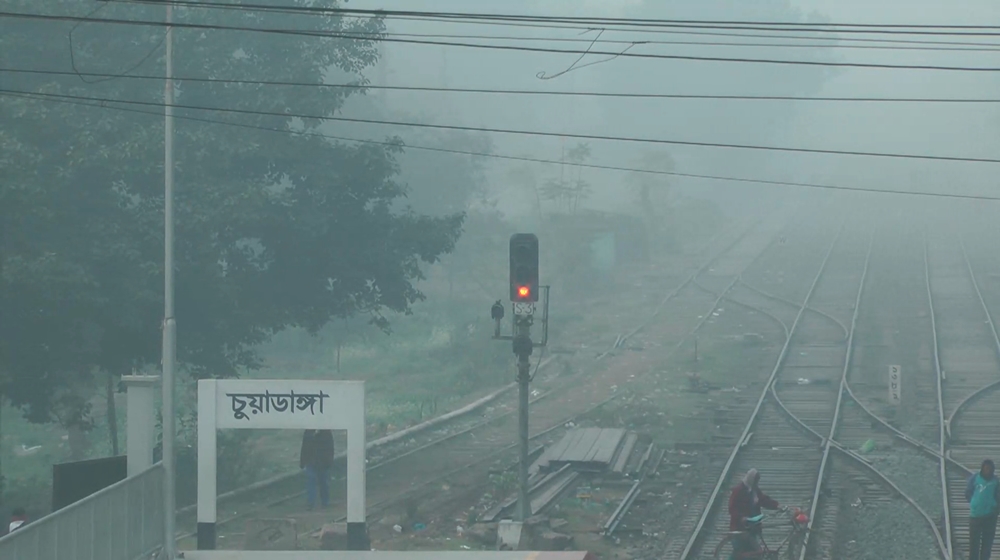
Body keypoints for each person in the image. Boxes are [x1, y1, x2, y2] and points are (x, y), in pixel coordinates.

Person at [728, 469, 783, 559]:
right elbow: (732, 508)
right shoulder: (738, 490)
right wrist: (741, 517)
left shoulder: (754, 490)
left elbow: (763, 500)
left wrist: (776, 505)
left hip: (752, 525)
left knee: (746, 550)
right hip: (741, 526)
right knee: (742, 551)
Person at [966, 459, 1000, 560]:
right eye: (986, 468)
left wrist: (995, 510)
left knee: (987, 544)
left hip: (990, 517)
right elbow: (968, 492)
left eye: (989, 469)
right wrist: (974, 503)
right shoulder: (975, 478)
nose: (987, 471)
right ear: (982, 468)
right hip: (975, 516)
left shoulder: (996, 482)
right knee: (974, 543)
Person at [300, 429, 335, 510]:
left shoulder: (326, 432)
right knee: (311, 480)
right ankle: (310, 503)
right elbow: (304, 447)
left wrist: (329, 461)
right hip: (311, 461)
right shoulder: (308, 432)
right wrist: (302, 462)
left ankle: (325, 502)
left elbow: (330, 448)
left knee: (323, 482)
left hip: (323, 462)